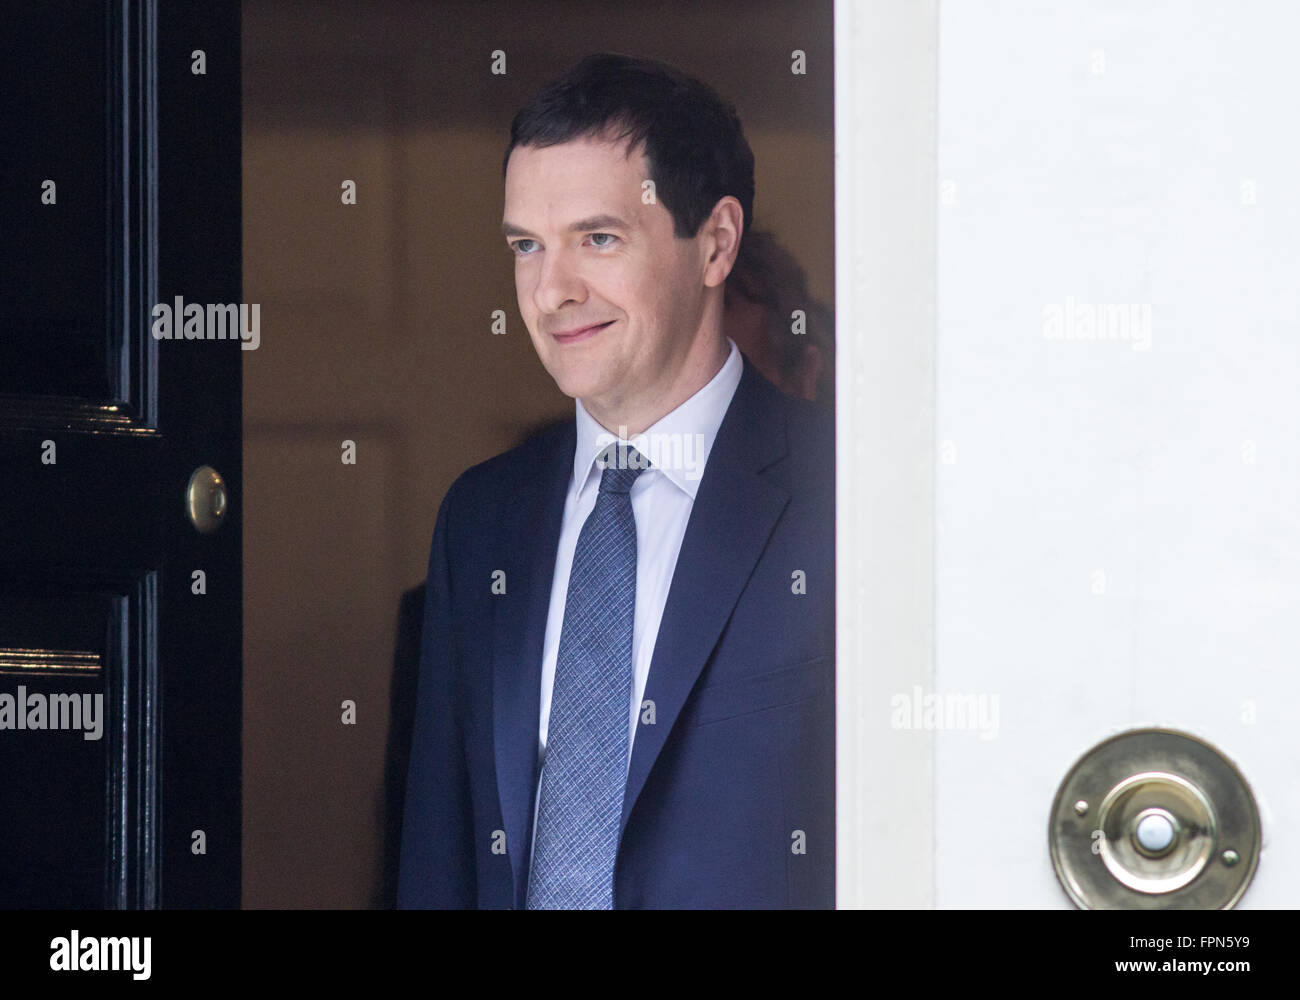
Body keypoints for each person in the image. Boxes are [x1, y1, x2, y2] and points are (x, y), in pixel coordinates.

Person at [398, 52, 834, 909]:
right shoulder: (483, 517)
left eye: (598, 238)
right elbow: (439, 859)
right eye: (527, 246)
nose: (551, 291)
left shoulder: (846, 495)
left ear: (714, 244)